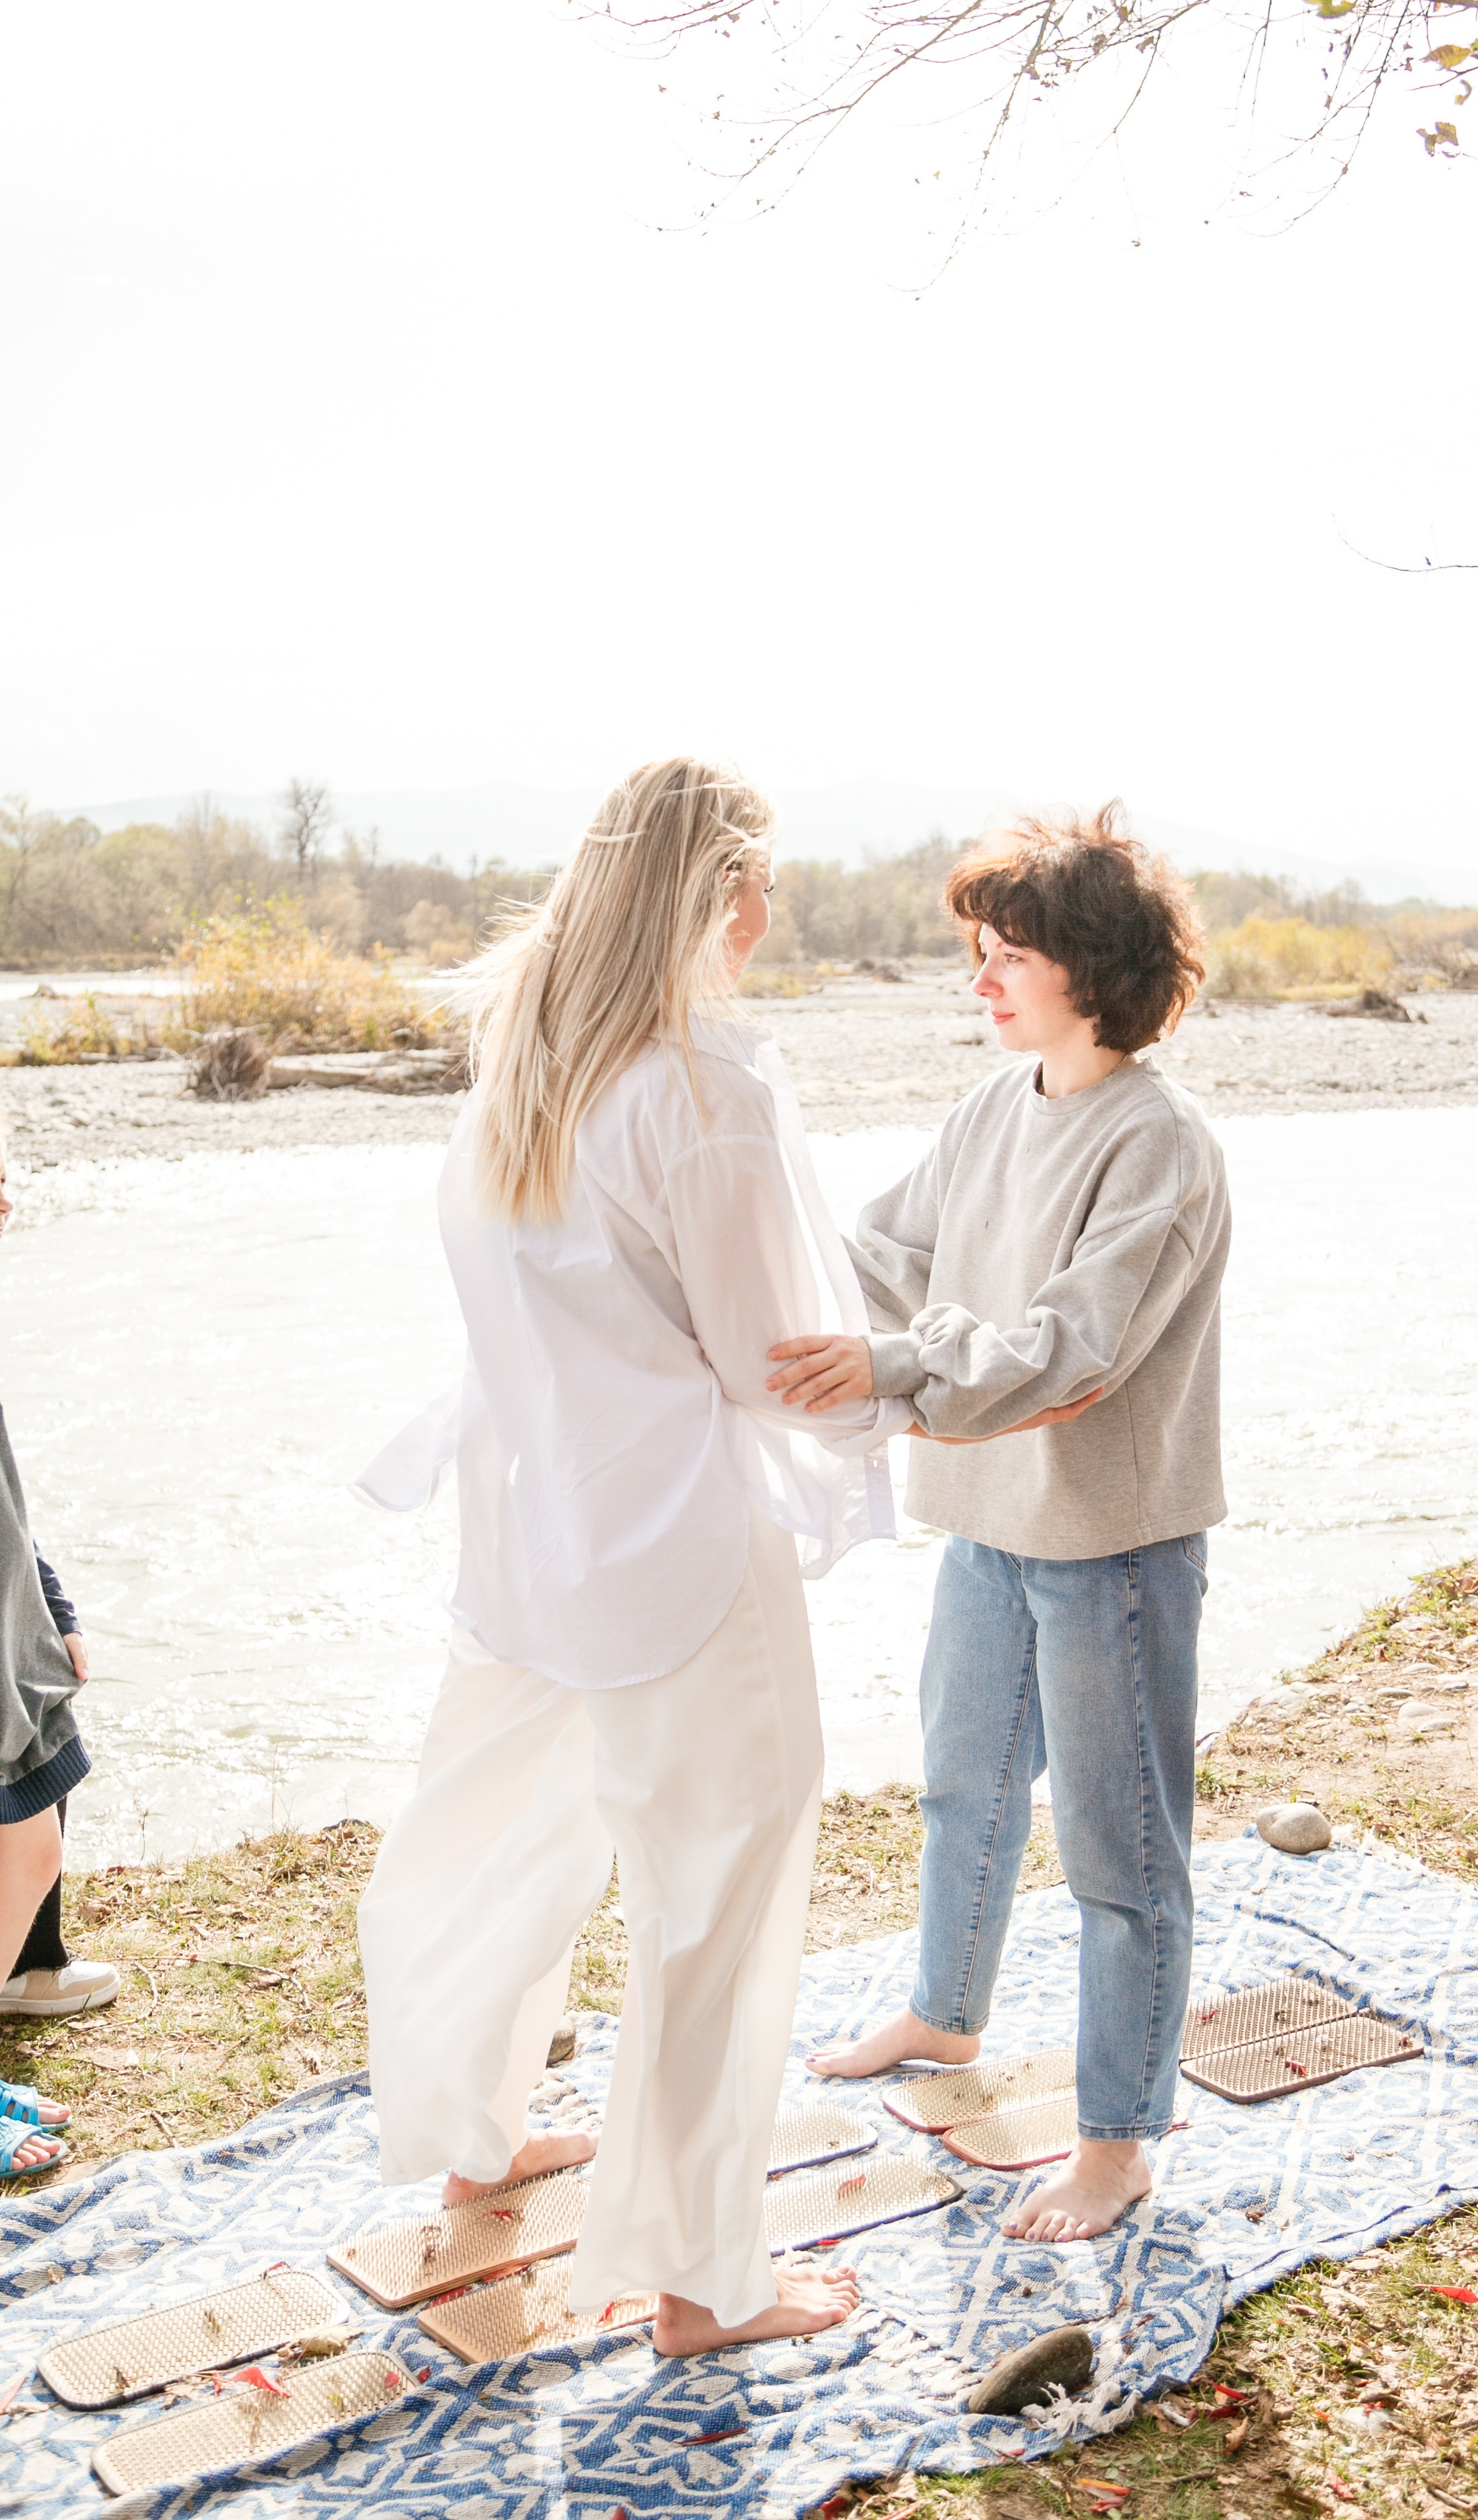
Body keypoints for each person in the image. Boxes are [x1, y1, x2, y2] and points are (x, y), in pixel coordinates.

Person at [356, 759, 1090, 2354]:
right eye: (762, 883)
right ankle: (701, 2279)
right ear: (715, 892)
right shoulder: (696, 1085)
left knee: (502, 1828)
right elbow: (779, 1359)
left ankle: (474, 2131)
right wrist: (939, 1402)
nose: (771, 912)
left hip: (528, 1524)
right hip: (668, 1541)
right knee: (716, 1890)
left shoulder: (524, 1068)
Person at [767, 807, 1228, 2246]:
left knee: (1119, 1858)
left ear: (1093, 967)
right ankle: (943, 2015)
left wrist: (890, 1366)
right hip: (985, 1518)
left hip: (1112, 1543)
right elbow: (880, 1257)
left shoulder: (1157, 1143)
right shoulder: (991, 1107)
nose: (978, 979)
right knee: (964, 1785)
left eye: (1007, 955)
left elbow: (1067, 1351)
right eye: (978, 952)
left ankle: (1116, 2144)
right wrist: (746, 1289)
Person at [0, 1134, 105, 2174]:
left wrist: (54, 1605)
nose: (4, 1196)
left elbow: (7, 1497)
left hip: (10, 1624)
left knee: (29, 1843)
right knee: (27, 1846)